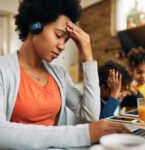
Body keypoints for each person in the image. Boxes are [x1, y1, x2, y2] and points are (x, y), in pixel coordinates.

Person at [0, 0, 130, 149]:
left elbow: (90, 114)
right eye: (58, 35)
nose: (62, 46)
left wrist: (87, 55)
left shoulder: (59, 75)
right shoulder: (2, 70)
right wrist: (84, 134)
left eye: (66, 40)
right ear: (35, 26)